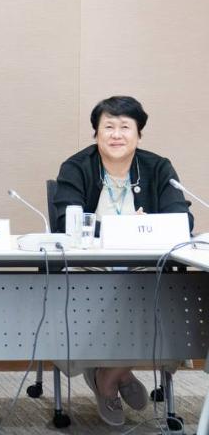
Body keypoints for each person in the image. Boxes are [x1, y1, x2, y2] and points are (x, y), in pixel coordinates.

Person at [51, 95, 191, 427]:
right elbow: (65, 224)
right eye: (108, 127)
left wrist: (147, 227)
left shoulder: (159, 168)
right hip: (90, 272)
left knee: (165, 298)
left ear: (138, 134)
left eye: (125, 127)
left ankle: (108, 376)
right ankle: (118, 373)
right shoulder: (76, 167)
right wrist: (123, 228)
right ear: (96, 133)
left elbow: (181, 220)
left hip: (146, 271)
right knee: (119, 296)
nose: (116, 134)